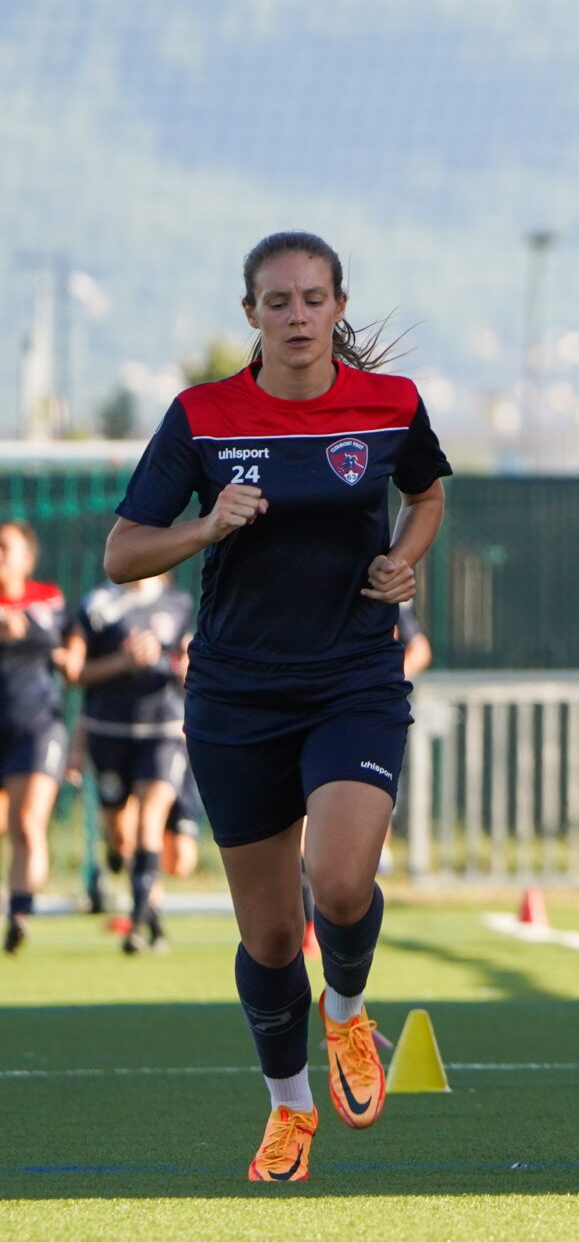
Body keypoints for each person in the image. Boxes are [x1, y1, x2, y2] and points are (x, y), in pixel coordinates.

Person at [103, 231, 450, 1182]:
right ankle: (289, 1109)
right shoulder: (203, 415)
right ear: (249, 313)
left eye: (312, 298)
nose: (297, 316)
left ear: (340, 305)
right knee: (265, 934)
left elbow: (426, 492)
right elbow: (122, 552)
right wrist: (205, 524)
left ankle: (346, 1010)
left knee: (338, 886)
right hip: (235, 692)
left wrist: (405, 557)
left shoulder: (391, 404)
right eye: (278, 301)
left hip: (352, 679)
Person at [72, 571, 197, 952]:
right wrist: (123, 661)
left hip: (163, 729)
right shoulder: (97, 605)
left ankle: (139, 922)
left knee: (149, 822)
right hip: (109, 730)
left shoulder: (178, 603)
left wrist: (186, 664)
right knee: (120, 834)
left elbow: (187, 658)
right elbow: (77, 672)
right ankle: (150, 912)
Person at [3, 520, 80, 954]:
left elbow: (72, 643)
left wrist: (73, 658)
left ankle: (19, 914)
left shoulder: (47, 599)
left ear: (27, 558)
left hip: (36, 726)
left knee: (28, 821)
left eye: (4, 546)